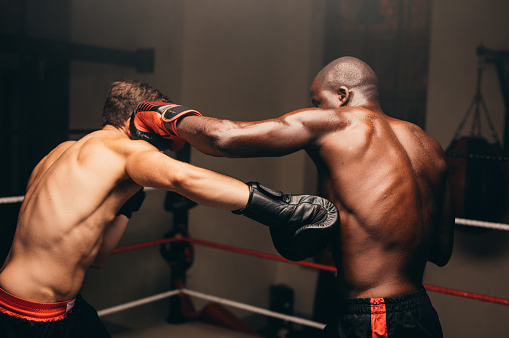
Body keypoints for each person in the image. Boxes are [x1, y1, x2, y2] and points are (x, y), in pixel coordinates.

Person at [132, 56, 455, 337]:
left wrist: (165, 115)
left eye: (318, 102)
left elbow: (223, 139)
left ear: (343, 95)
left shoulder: (336, 123)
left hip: (375, 317)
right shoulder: (429, 145)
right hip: (421, 313)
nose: (316, 109)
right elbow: (441, 251)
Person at [0, 80, 338, 338]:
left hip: (36, 303)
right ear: (143, 121)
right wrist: (281, 209)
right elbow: (183, 177)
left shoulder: (61, 152)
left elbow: (97, 256)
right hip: (32, 316)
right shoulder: (124, 152)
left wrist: (127, 202)